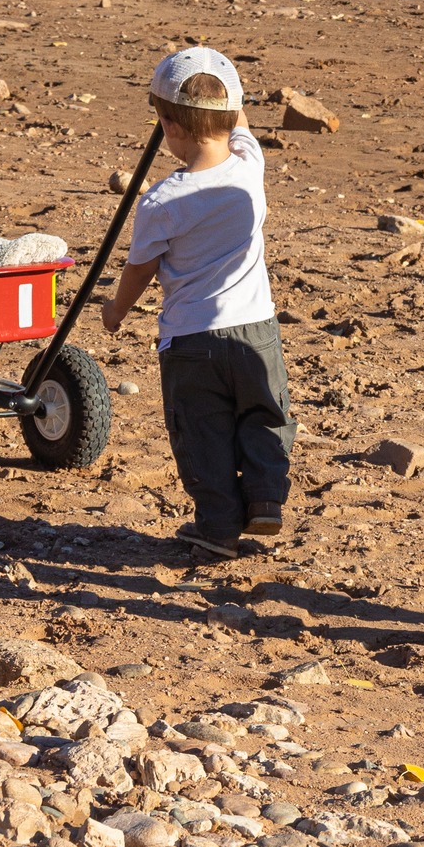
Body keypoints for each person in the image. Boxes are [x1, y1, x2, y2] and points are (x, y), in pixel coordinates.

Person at [102, 47, 295, 560]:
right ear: (232, 116)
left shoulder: (162, 202)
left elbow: (139, 269)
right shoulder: (249, 167)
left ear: (169, 126)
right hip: (255, 330)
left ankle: (217, 527)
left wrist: (117, 310)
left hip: (191, 341)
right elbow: (241, 123)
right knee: (265, 413)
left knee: (201, 433)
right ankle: (265, 497)